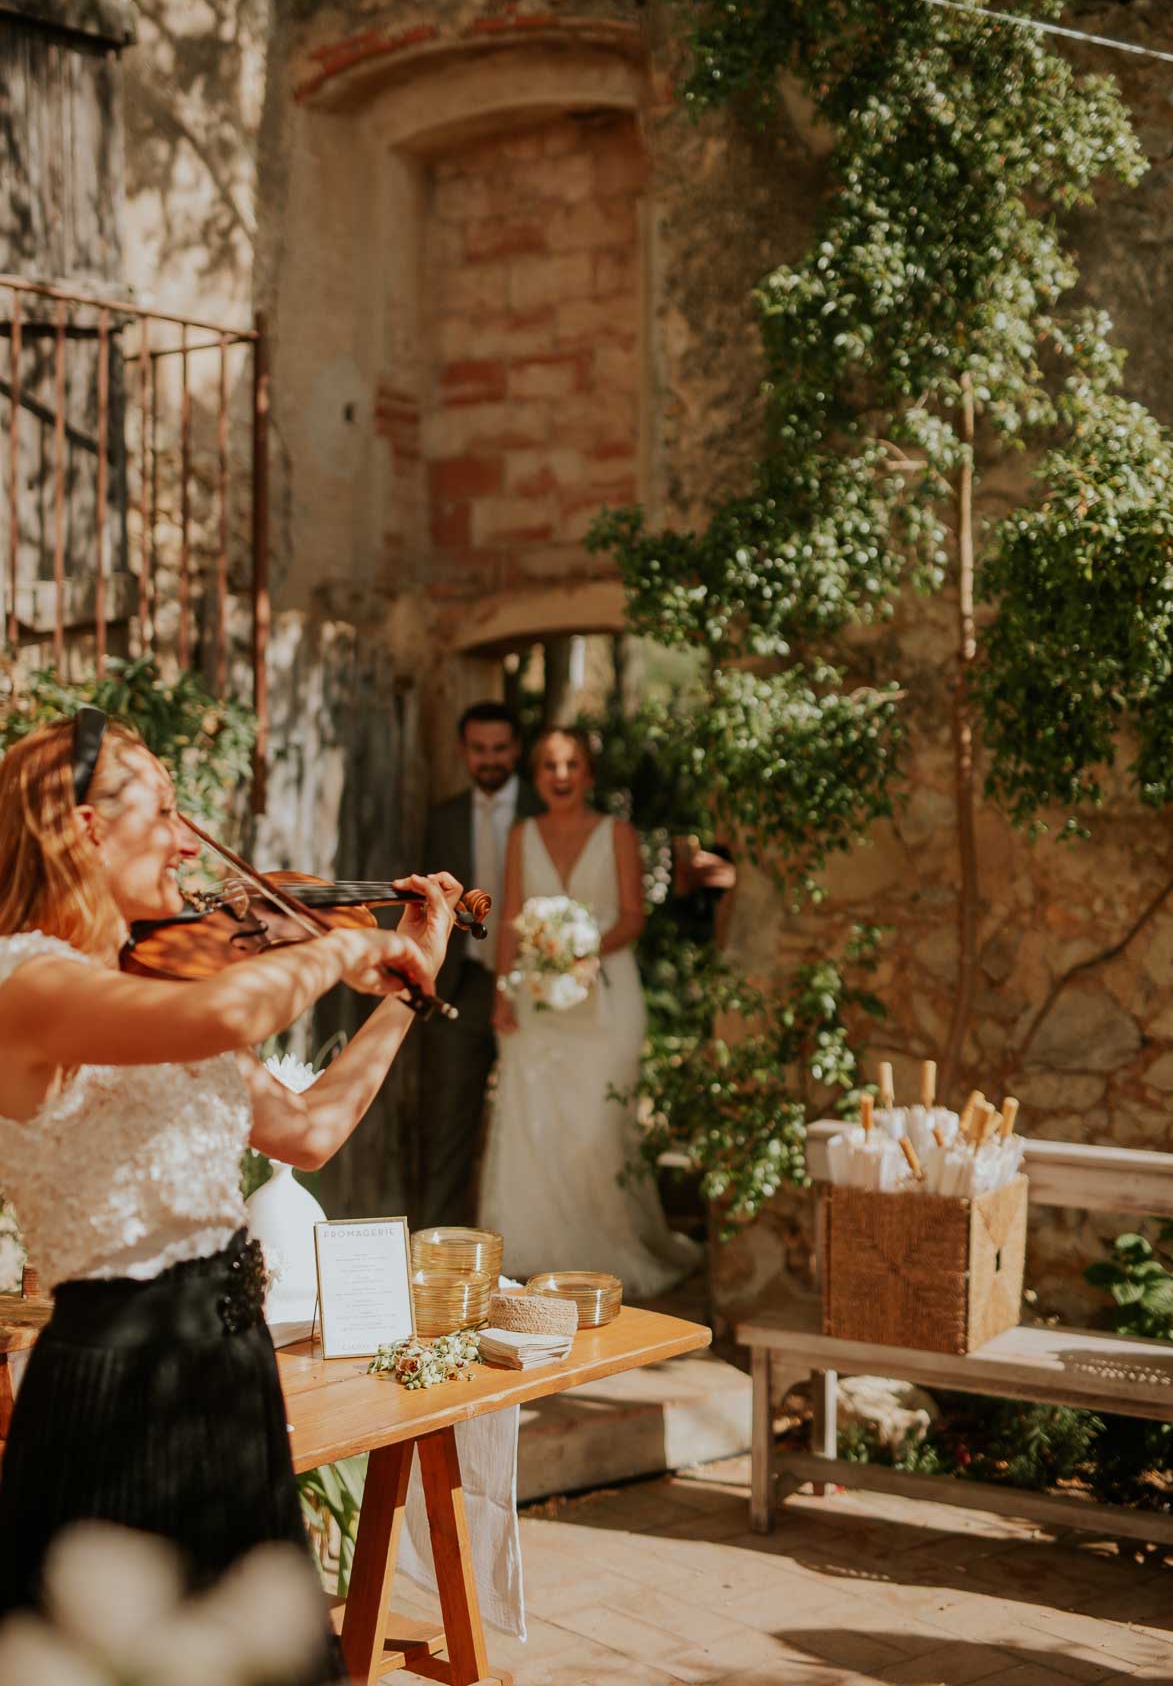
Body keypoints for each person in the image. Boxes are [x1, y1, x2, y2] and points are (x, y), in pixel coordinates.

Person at [0, 709, 461, 1671]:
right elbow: (217, 1013)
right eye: (164, 811)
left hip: (226, 1367)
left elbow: (309, 1130)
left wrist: (415, 983)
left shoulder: (149, 982)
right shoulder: (24, 982)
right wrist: (338, 950)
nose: (184, 839)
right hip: (117, 1376)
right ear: (85, 829)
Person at [478, 727, 699, 1296]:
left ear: (589, 774)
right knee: (534, 1125)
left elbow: (632, 916)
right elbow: (508, 919)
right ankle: (531, 1250)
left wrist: (580, 947)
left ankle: (607, 1252)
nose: (560, 775)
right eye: (549, 764)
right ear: (537, 776)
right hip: (536, 1002)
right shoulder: (523, 835)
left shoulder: (617, 833)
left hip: (607, 999)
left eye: (571, 764)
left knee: (598, 1128)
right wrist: (503, 994)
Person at [418, 702, 540, 1228]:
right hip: (462, 986)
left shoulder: (545, 809)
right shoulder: (442, 816)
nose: (489, 760)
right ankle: (432, 1246)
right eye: (479, 749)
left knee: (533, 1120)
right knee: (447, 1124)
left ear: (516, 749)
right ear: (464, 751)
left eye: (499, 749)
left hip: (534, 988)